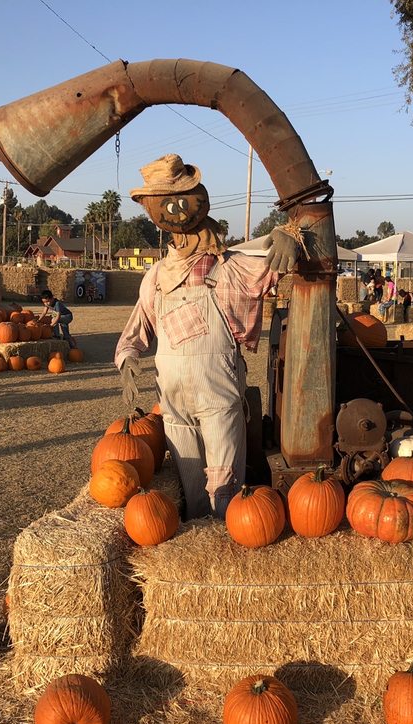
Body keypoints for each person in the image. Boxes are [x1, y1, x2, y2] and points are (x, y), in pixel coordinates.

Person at [116, 154, 297, 520]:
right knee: (189, 475)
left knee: (224, 475)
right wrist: (128, 358)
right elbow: (138, 327)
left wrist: (288, 236)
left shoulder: (227, 265)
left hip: (217, 388)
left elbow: (276, 265)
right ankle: (199, 531)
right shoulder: (156, 277)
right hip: (172, 396)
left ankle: (227, 531)